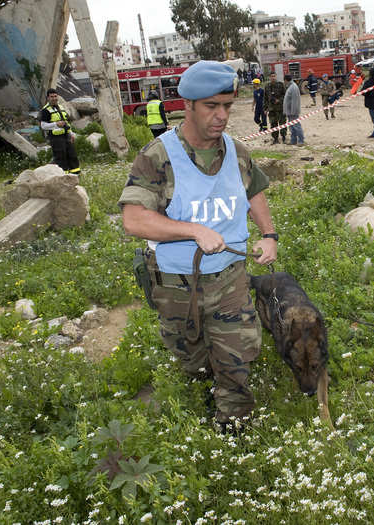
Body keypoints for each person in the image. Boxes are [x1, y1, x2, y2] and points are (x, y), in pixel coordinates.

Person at [118, 60, 278, 434]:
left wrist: (269, 235)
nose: (221, 116)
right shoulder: (158, 156)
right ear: (187, 105)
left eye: (227, 106)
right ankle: (205, 391)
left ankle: (234, 429)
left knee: (236, 356)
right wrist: (193, 230)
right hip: (178, 284)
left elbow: (254, 190)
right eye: (211, 107)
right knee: (191, 358)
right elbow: (134, 219)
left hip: (229, 279)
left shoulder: (236, 152)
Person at [40, 88, 80, 174]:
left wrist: (71, 133)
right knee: (61, 158)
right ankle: (63, 177)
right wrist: (55, 124)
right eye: (51, 97)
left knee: (72, 155)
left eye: (55, 96)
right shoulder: (45, 110)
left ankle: (75, 174)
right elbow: (43, 126)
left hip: (66, 136)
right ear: (48, 98)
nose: (54, 98)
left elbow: (66, 122)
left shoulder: (61, 107)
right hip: (56, 138)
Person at [264, 71, 287, 144]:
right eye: (271, 76)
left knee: (282, 123)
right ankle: (275, 139)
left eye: (274, 76)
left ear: (276, 76)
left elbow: (285, 95)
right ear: (270, 77)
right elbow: (265, 98)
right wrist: (265, 108)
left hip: (281, 108)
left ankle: (284, 137)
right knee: (273, 124)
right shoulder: (267, 86)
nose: (273, 77)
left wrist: (279, 100)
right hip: (272, 109)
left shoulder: (280, 85)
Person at [282, 74, 304, 146]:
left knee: (296, 126)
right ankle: (293, 140)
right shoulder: (290, 86)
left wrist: (293, 111)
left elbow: (295, 100)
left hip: (293, 112)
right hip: (290, 111)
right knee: (291, 127)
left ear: (285, 80)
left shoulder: (293, 87)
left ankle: (301, 141)